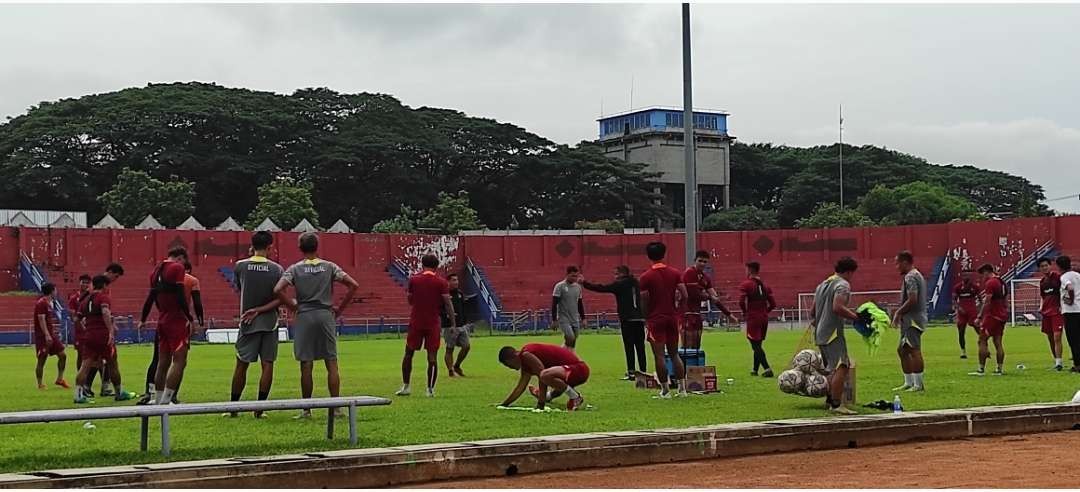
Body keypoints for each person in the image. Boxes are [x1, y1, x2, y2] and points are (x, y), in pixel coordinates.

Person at [274, 232, 359, 418]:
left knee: (306, 363)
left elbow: (278, 289)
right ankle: (336, 408)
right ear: (317, 246)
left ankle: (306, 409)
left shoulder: (295, 269)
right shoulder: (329, 266)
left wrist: (292, 306)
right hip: (325, 314)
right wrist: (339, 309)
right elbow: (353, 285)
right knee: (331, 361)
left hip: (305, 315)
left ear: (300, 248)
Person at [228, 231, 284, 418]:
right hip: (270, 323)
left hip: (247, 322)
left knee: (241, 365)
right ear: (270, 247)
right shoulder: (277, 269)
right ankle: (259, 409)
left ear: (252, 246)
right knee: (267, 364)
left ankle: (233, 408)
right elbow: (280, 299)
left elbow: (239, 288)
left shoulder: (240, 266)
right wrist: (261, 310)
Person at [138, 247, 194, 405]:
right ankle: (167, 399)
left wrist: (143, 318)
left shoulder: (156, 271)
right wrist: (189, 317)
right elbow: (180, 294)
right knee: (180, 361)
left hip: (162, 320)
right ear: (181, 258)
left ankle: (158, 398)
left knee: (162, 362)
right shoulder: (177, 268)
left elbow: (151, 297)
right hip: (176, 320)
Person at [73, 275, 137, 403]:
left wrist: (85, 329)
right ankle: (119, 392)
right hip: (103, 336)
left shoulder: (85, 301)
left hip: (89, 336)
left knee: (85, 365)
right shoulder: (103, 297)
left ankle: (78, 395)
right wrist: (111, 331)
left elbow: (76, 319)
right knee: (112, 364)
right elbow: (105, 312)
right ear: (103, 285)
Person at [397, 254, 454, 397]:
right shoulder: (441, 282)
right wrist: (453, 323)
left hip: (416, 321)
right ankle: (430, 389)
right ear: (436, 266)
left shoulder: (414, 280)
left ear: (422, 264)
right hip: (433, 322)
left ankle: (406, 386)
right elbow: (447, 303)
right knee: (432, 357)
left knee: (409, 353)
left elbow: (410, 300)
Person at [638, 241, 688, 398]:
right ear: (664, 254)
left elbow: (644, 299)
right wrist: (678, 310)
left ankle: (665, 390)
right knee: (674, 354)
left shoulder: (646, 277)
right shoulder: (674, 273)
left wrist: (646, 316)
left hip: (655, 319)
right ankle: (682, 389)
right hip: (672, 317)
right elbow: (684, 295)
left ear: (648, 256)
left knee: (659, 355)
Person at [809, 257, 859, 415]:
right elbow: (837, 307)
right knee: (842, 366)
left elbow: (812, 312)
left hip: (820, 332)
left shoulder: (822, 284)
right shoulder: (842, 285)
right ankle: (836, 404)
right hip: (832, 333)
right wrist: (855, 317)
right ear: (850, 272)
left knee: (830, 368)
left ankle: (830, 400)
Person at [582, 265, 647, 380]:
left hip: (627, 318)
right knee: (640, 346)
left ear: (622, 274)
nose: (615, 276)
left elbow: (602, 288)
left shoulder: (620, 284)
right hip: (639, 318)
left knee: (629, 346)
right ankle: (643, 372)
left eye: (616, 274)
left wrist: (584, 283)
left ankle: (631, 372)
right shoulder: (635, 282)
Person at [497, 343, 588, 411]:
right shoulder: (525, 364)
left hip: (578, 370)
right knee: (549, 379)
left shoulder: (526, 354)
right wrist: (504, 404)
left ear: (512, 358)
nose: (510, 368)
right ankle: (548, 396)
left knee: (545, 375)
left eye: (508, 365)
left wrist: (541, 404)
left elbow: (542, 375)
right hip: (569, 373)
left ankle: (576, 397)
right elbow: (520, 387)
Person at [681, 251, 737, 351]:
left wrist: (729, 314)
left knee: (696, 346)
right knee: (687, 346)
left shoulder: (705, 278)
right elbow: (694, 294)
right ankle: (684, 366)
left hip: (697, 314)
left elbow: (715, 298)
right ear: (695, 260)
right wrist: (710, 297)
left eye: (705, 262)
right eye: (700, 261)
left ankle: (694, 366)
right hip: (687, 313)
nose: (702, 264)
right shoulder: (689, 272)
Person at [891, 251, 928, 392]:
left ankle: (918, 385)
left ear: (905, 262)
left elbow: (913, 299)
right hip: (913, 318)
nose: (896, 267)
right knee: (902, 350)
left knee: (913, 349)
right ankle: (909, 382)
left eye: (897, 263)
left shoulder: (910, 277)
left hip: (913, 320)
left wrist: (898, 312)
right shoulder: (916, 275)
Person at [739, 261, 776, 377]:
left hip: (753, 318)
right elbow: (773, 304)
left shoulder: (746, 285)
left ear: (749, 270)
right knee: (758, 344)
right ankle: (755, 370)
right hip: (764, 318)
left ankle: (767, 368)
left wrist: (745, 312)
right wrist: (765, 312)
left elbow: (741, 301)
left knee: (755, 345)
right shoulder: (766, 286)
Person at [971, 263, 1007, 376]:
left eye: (982, 275)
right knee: (998, 342)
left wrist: (980, 316)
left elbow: (987, 301)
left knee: (981, 340)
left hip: (992, 316)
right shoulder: (1002, 282)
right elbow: (1005, 300)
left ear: (987, 271)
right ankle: (999, 369)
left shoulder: (991, 283)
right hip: (1002, 315)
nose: (982, 278)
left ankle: (981, 369)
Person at [33, 282, 68, 390]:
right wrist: (47, 335)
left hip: (51, 335)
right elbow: (41, 319)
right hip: (43, 336)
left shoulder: (49, 303)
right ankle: (40, 384)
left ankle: (60, 379)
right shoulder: (41, 303)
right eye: (55, 290)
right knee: (42, 359)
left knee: (62, 355)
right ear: (52, 291)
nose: (56, 292)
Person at [442, 273, 473, 378]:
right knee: (449, 349)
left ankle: (457, 365)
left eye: (457, 280)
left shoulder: (460, 294)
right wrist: (447, 317)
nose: (456, 282)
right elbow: (439, 309)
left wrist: (466, 321)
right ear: (448, 282)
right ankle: (450, 371)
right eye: (454, 280)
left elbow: (463, 308)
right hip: (449, 326)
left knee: (466, 346)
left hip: (461, 325)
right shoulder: (444, 294)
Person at [1037, 257, 1064, 371]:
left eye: (1046, 265)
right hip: (1046, 313)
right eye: (1042, 266)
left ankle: (1059, 362)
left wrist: (1062, 306)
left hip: (1057, 312)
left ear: (1050, 265)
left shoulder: (1058, 278)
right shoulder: (1042, 282)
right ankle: (1056, 361)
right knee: (1050, 338)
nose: (1044, 268)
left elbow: (1064, 291)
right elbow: (1043, 297)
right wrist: (1041, 307)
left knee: (1057, 336)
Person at [551, 266, 585, 351]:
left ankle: (561, 353)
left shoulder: (578, 287)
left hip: (574, 318)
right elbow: (554, 304)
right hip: (563, 318)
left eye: (576, 276)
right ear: (567, 274)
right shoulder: (559, 286)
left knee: (574, 338)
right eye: (573, 276)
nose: (575, 278)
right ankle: (570, 355)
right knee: (570, 337)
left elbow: (580, 304)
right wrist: (554, 319)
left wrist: (583, 318)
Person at [67, 274, 90, 393]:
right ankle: (81, 378)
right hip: (80, 332)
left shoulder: (91, 297)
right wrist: (81, 325)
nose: (85, 285)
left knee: (92, 356)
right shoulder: (74, 298)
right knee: (81, 355)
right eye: (83, 282)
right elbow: (73, 315)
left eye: (87, 282)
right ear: (79, 283)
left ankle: (87, 379)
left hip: (90, 330)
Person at [1058, 256, 1080, 372]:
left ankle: (1077, 365)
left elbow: (1070, 287)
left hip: (1071, 311)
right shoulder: (1078, 275)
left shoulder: (1064, 277)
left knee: (1073, 339)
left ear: (1059, 266)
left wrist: (1070, 300)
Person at [952, 269, 980, 359]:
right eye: (964, 275)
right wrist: (958, 308)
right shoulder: (958, 287)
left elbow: (980, 299)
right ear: (962, 276)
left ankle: (984, 346)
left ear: (970, 276)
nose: (966, 277)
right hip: (962, 311)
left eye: (968, 275)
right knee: (961, 332)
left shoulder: (975, 287)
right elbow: (954, 300)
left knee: (978, 329)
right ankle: (963, 352)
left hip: (972, 310)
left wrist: (979, 311)